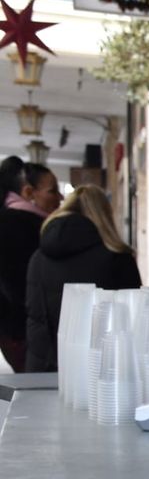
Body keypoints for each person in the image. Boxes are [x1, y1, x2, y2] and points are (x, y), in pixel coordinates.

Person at [24, 184, 143, 372]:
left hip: (43, 365)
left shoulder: (38, 257)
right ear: (105, 215)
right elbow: (134, 316)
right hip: (103, 369)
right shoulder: (117, 258)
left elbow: (34, 311)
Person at [0, 157, 63, 371]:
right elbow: (14, 286)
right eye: (52, 191)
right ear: (28, 192)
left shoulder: (27, 222)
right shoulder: (14, 224)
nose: (60, 197)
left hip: (23, 329)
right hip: (23, 331)